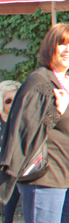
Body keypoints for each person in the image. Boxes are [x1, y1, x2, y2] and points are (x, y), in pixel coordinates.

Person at [0, 24, 69, 223]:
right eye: (63, 44)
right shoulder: (39, 81)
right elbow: (25, 131)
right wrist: (56, 112)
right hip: (46, 179)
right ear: (50, 47)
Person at [0, 80, 21, 223]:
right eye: (8, 101)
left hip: (17, 170)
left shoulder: (23, 121)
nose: (12, 104)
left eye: (16, 100)